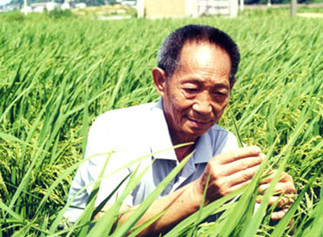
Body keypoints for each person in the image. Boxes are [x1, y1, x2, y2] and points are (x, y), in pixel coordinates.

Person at [65, 24, 296, 235]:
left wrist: (278, 207)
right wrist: (199, 194)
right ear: (160, 82)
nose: (205, 107)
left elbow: (248, 223)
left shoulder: (225, 145)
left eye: (219, 93)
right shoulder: (115, 130)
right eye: (191, 89)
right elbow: (109, 224)